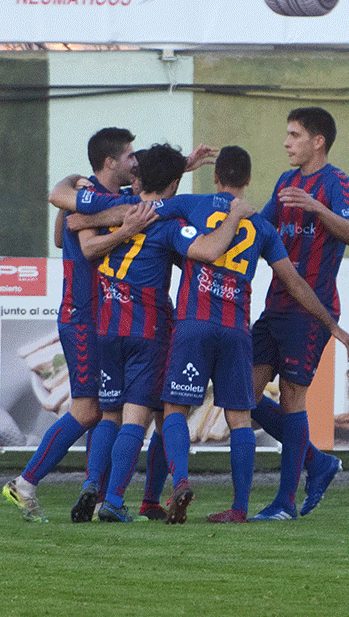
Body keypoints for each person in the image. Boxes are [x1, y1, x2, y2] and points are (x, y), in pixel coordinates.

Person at [157, 145, 349, 524]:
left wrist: (178, 171)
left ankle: (180, 482)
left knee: (174, 410)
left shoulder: (193, 204)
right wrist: (331, 324)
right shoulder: (262, 226)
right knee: (240, 416)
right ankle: (239, 508)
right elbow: (295, 282)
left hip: (194, 324)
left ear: (216, 177)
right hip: (237, 329)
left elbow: (152, 205)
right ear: (248, 181)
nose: (286, 142)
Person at [79, 143, 252, 522]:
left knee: (109, 414)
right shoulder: (172, 226)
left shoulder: (118, 208)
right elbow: (206, 251)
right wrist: (235, 215)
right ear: (175, 182)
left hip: (107, 324)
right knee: (142, 416)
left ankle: (91, 484)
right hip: (147, 327)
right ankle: (116, 500)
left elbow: (70, 219)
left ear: (138, 175)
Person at [3, 127, 149, 523]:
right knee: (87, 410)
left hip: (93, 318)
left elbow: (57, 234)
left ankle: (94, 493)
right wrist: (127, 228)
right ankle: (25, 482)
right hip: (82, 316)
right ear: (110, 161)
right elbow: (87, 245)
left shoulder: (86, 197)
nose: (134, 162)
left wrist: (70, 188)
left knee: (101, 408)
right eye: (130, 156)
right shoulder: (86, 199)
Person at [249, 107, 349, 521]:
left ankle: (284, 503)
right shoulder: (284, 181)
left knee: (294, 399)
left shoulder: (338, 183)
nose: (286, 142)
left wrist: (316, 207)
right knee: (242, 395)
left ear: (318, 142)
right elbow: (260, 229)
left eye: (294, 135)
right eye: (287, 133)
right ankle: (318, 462)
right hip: (275, 305)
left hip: (310, 311)